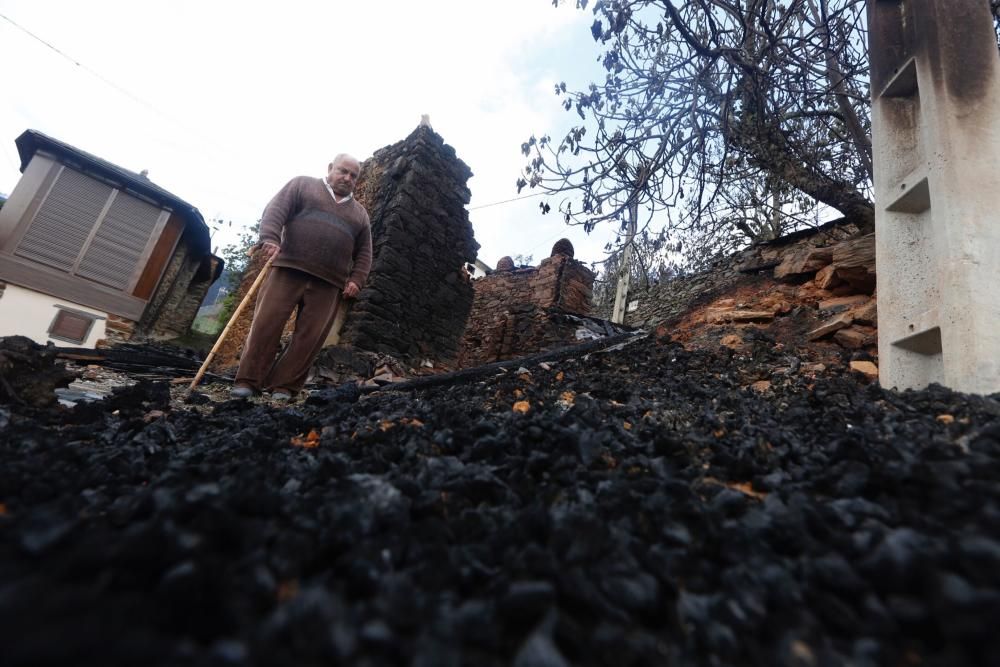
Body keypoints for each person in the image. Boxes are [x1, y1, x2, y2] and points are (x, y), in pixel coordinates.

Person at [230, 154, 372, 401]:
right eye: (342, 171)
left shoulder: (360, 215)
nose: (347, 178)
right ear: (330, 168)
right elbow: (275, 210)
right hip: (288, 268)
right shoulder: (302, 185)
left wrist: (356, 280)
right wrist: (271, 239)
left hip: (329, 283)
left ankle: (284, 387)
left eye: (353, 175)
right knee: (266, 325)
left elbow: (365, 252)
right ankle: (248, 381)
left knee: (310, 337)